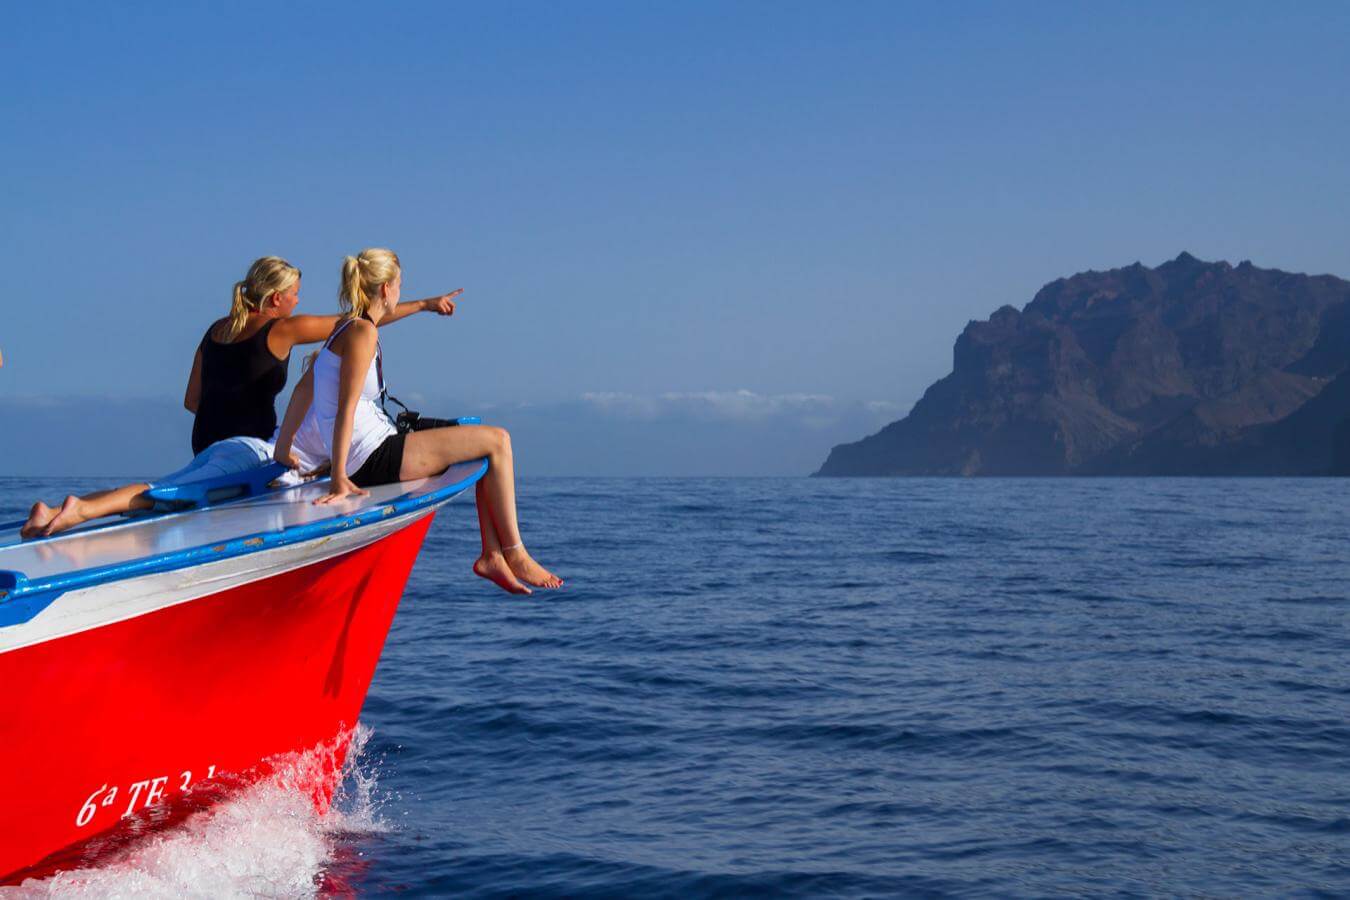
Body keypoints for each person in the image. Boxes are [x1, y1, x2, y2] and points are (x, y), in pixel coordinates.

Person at [22, 253, 458, 537]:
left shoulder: (215, 330)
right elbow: (357, 323)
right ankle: (75, 510)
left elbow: (192, 399)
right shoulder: (283, 329)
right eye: (293, 295)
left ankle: (77, 514)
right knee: (164, 493)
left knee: (179, 496)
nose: (297, 301)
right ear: (275, 298)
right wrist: (421, 305)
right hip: (246, 450)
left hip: (208, 442)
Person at [289, 248, 561, 595]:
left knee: (475, 442)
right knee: (498, 441)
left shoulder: (349, 326)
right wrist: (338, 477)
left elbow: (303, 390)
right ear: (386, 289)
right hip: (373, 457)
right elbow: (346, 408)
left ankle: (492, 554)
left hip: (373, 446)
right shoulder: (362, 334)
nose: (402, 291)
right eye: (401, 284)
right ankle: (515, 553)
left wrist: (425, 305)